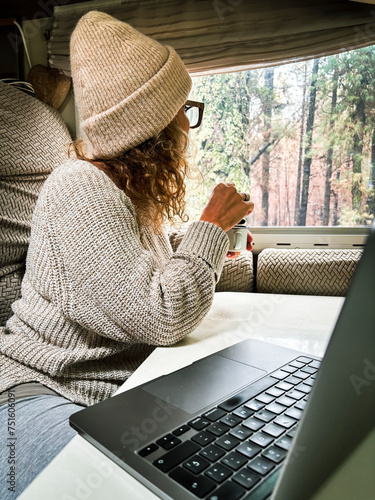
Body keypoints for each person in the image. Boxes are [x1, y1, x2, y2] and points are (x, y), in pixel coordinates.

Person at [0, 11, 253, 497]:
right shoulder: (80, 187)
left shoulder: (127, 192)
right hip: (41, 392)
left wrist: (206, 246)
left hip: (110, 394)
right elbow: (158, 314)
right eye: (183, 108)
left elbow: (135, 269)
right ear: (153, 124)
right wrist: (210, 226)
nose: (187, 121)